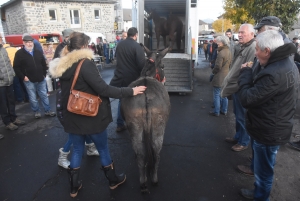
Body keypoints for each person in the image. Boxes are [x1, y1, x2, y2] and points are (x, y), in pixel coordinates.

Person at [49, 32, 146, 197]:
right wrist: (131, 91)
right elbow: (104, 89)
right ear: (85, 46)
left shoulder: (62, 65)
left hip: (72, 114)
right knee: (102, 149)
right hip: (90, 115)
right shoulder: (85, 64)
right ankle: (113, 180)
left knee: (78, 149)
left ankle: (73, 187)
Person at [238, 30, 299, 201]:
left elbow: (247, 98)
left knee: (264, 172)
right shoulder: (286, 63)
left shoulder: (274, 73)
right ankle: (258, 193)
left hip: (268, 131)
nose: (255, 53)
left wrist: (245, 73)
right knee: (262, 168)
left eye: (257, 49)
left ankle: (261, 197)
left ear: (267, 51)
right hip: (272, 125)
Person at [221, 24, 256, 152]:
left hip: (241, 88)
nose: (239, 35)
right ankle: (238, 136)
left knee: (242, 116)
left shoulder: (252, 48)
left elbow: (249, 70)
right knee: (237, 114)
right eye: (239, 32)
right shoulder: (244, 46)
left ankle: (243, 142)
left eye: (243, 33)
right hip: (237, 88)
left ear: (252, 34)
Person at [110, 27, 145, 132]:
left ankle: (120, 124)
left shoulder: (120, 44)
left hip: (119, 77)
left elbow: (117, 59)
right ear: (135, 35)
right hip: (132, 79)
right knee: (134, 101)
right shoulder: (137, 47)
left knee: (122, 99)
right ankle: (133, 124)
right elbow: (141, 65)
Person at [14, 35, 56, 118]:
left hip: (41, 78)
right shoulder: (19, 53)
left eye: (31, 42)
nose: (30, 44)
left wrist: (44, 74)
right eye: (27, 42)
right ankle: (36, 111)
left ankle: (48, 110)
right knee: (33, 98)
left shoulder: (38, 52)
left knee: (44, 95)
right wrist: (23, 77)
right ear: (24, 43)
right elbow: (16, 67)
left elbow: (43, 64)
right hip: (29, 80)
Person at [0, 35, 26, 131]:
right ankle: (7, 122)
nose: (1, 40)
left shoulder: (3, 50)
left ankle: (13, 118)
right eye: (0, 38)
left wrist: (12, 73)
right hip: (1, 83)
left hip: (9, 80)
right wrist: (2, 76)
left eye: (1, 38)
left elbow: (8, 63)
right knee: (3, 104)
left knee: (11, 101)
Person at [209, 36, 231, 116]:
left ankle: (216, 111)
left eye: (218, 42)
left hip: (219, 76)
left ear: (222, 43)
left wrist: (213, 72)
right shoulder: (228, 51)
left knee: (217, 94)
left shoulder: (221, 52)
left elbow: (218, 66)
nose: (217, 43)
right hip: (226, 75)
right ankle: (224, 111)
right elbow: (230, 64)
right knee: (224, 95)